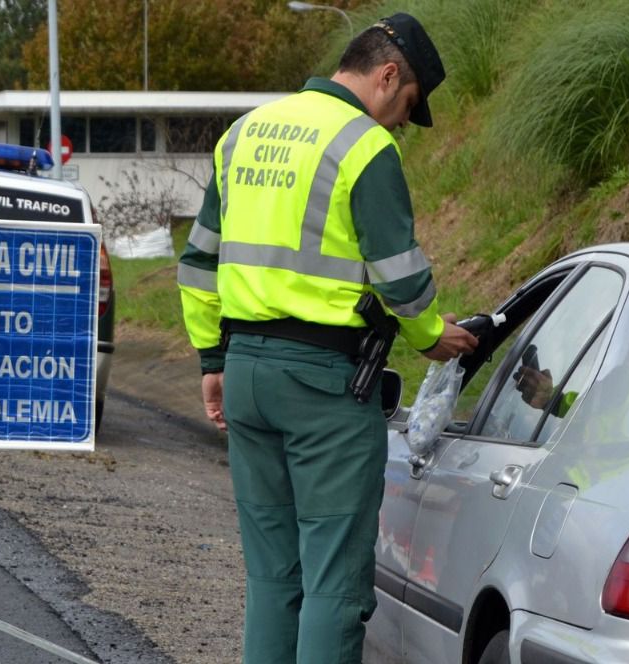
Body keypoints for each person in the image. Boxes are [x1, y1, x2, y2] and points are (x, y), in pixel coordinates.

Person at [177, 13, 478, 663]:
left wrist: (211, 357)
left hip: (247, 376)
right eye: (406, 105)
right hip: (324, 386)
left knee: (272, 576)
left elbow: (198, 265)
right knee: (335, 584)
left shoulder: (242, 134)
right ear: (388, 74)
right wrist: (430, 336)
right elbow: (399, 275)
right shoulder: (364, 147)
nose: (400, 121)